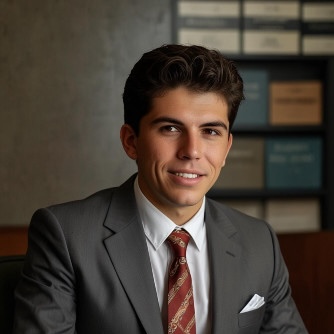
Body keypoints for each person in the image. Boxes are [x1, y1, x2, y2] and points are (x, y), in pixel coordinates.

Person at [13, 44, 307, 333]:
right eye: (171, 128)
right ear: (131, 141)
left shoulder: (259, 242)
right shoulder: (66, 235)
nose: (192, 151)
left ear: (227, 148)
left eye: (210, 132)